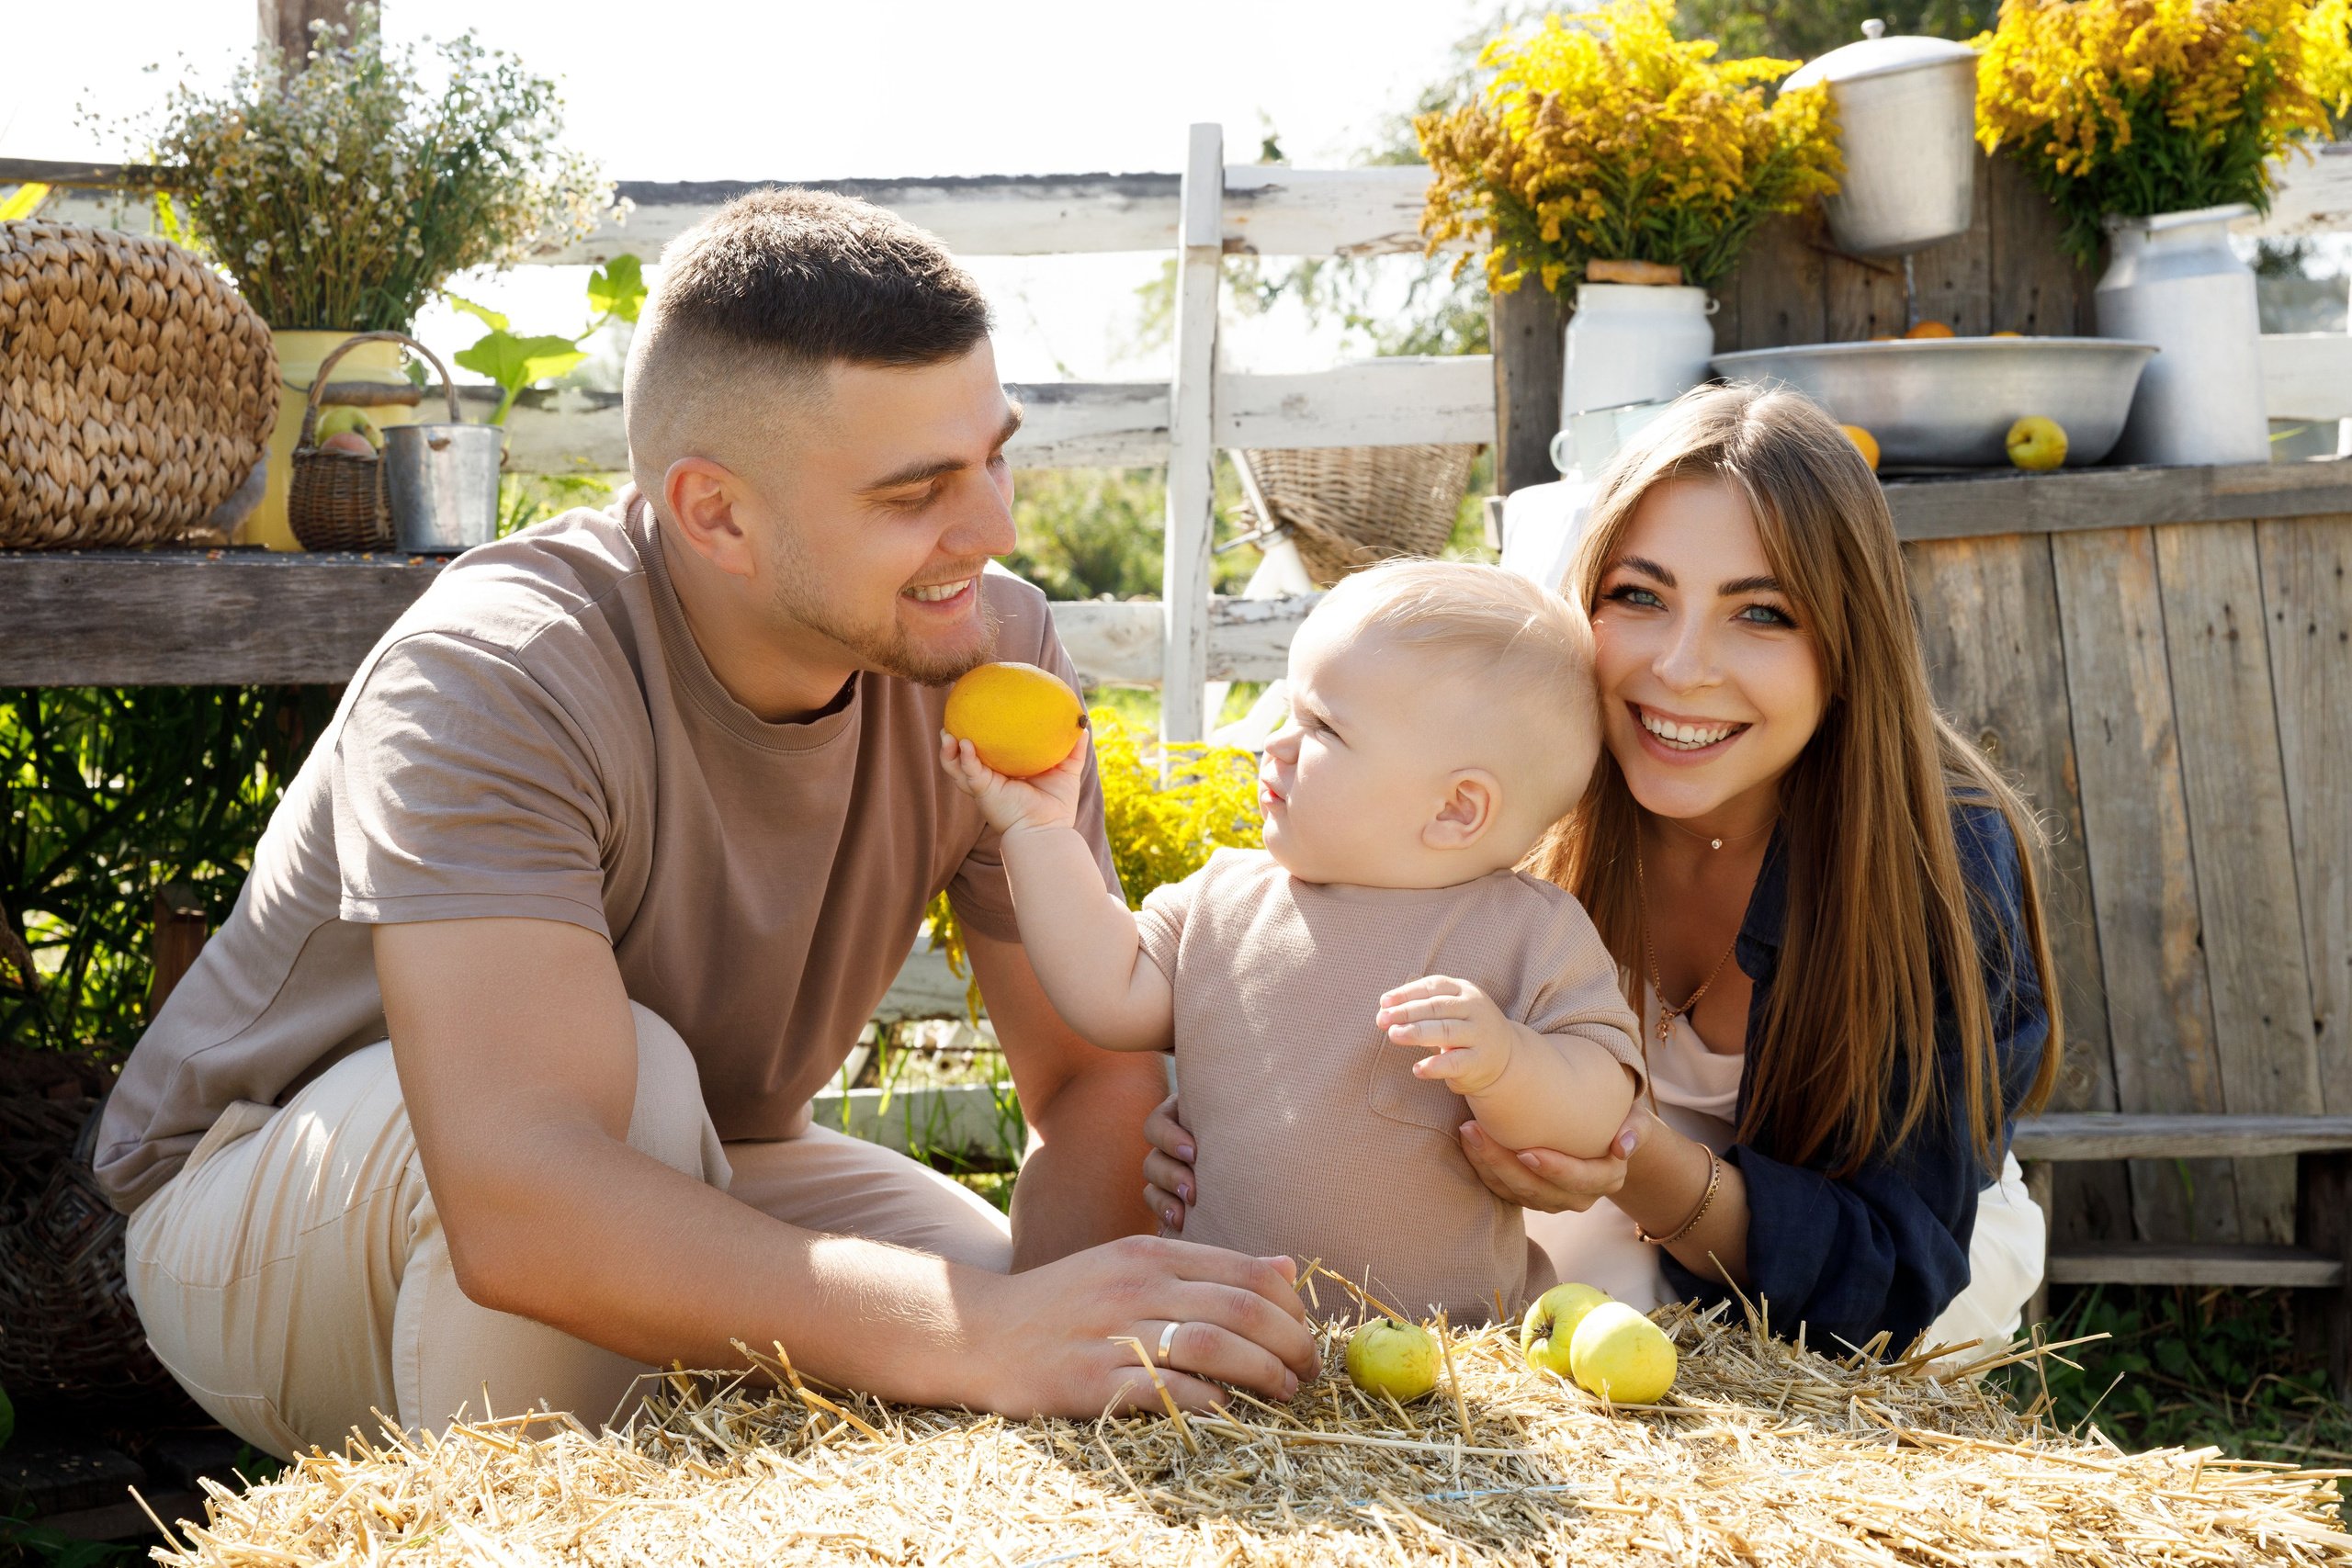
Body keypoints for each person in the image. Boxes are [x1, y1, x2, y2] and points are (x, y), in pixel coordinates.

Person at [95, 188, 1319, 1459]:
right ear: (717, 513)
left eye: (995, 453)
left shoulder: (988, 645)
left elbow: (1088, 1074)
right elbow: (524, 1198)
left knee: (1054, 1301)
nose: (997, 529)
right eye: (919, 492)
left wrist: (1073, 1370)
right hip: (273, 1194)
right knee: (669, 1104)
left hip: (718, 1158)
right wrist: (979, 1339)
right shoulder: (498, 668)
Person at [1146, 384, 2059, 1354]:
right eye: (1639, 595)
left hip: (1877, 1254)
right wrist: (1240, 1115)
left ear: (1847, 645)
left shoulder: (1936, 852)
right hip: (1559, 1196)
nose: (1682, 666)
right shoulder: (1515, 776)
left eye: (1761, 614)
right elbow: (1316, 964)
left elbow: (1887, 1274)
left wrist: (1631, 1158)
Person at [944, 562, 1644, 1323]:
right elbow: (1103, 993)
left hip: (1446, 1373)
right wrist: (1040, 830)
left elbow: (1599, 1105)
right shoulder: (1225, 898)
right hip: (1229, 1340)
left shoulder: (1527, 931)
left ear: (1456, 809)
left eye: (1323, 728)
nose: (1272, 742)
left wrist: (1510, 1062)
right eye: (1288, 708)